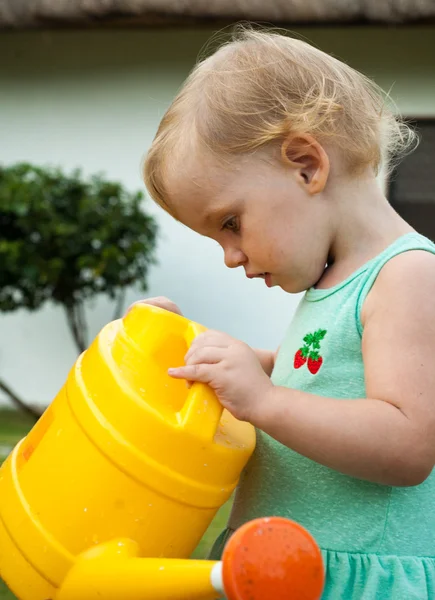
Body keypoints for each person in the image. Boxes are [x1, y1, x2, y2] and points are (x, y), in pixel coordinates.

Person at [135, 27, 435, 599]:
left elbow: (407, 444)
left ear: (305, 165)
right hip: (286, 569)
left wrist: (265, 399)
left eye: (230, 223)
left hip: (357, 580)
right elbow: (328, 380)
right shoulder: (334, 282)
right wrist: (224, 359)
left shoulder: (407, 276)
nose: (231, 256)